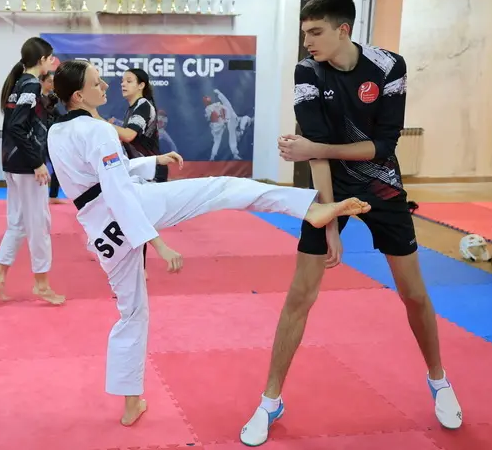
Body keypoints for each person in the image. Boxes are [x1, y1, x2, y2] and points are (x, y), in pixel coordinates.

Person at [47, 59, 371, 428]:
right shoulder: (99, 130)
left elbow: (99, 178)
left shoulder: (57, 132)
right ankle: (309, 209)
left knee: (131, 312)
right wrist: (158, 243)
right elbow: (118, 191)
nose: (105, 85)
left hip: (100, 231)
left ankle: (130, 404)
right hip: (130, 209)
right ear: (78, 95)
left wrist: (154, 162)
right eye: (96, 82)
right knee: (223, 188)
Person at [239, 0, 462, 447]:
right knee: (299, 296)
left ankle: (439, 380)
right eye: (304, 33)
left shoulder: (388, 66)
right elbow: (316, 151)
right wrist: (329, 217)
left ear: (343, 30)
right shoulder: (308, 71)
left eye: (315, 32)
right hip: (331, 187)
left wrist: (315, 148)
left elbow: (381, 146)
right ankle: (269, 399)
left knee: (413, 294)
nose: (307, 43)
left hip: (382, 186)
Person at [0, 37, 65, 305]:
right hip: (26, 165)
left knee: (18, 223)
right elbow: (18, 126)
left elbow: (25, 120)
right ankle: (41, 285)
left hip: (12, 163)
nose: (52, 62)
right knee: (39, 224)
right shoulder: (30, 84)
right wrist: (37, 162)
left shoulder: (19, 83)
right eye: (50, 58)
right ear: (42, 59)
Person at [107, 68, 166, 278]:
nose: (123, 84)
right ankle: (138, 267)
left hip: (149, 170)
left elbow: (129, 135)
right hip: (139, 168)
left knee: (137, 218)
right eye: (122, 81)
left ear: (141, 85)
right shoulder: (133, 107)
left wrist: (99, 123)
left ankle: (141, 268)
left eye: (129, 81)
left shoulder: (143, 105)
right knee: (132, 217)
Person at [37, 71, 65, 204]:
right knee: (38, 167)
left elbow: (59, 117)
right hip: (40, 139)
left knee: (58, 166)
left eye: (53, 82)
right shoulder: (38, 99)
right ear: (41, 82)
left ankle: (53, 195)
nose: (52, 84)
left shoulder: (51, 99)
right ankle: (38, 196)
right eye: (49, 81)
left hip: (51, 138)